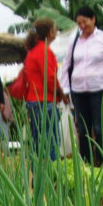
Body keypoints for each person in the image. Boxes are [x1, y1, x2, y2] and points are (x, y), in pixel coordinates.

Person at [60, 6, 103, 163]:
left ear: (93, 19)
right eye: (79, 23)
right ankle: (86, 163)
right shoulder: (75, 41)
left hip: (98, 88)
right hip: (78, 90)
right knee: (83, 129)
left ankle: (102, 162)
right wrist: (65, 89)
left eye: (85, 21)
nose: (82, 26)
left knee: (99, 128)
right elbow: (67, 64)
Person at [23, 18, 62, 161]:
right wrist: (60, 94)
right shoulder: (43, 50)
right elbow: (50, 77)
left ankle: (38, 178)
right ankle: (51, 178)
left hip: (34, 101)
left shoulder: (33, 50)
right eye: (55, 28)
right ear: (50, 32)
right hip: (44, 101)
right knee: (51, 142)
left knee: (38, 141)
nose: (56, 31)